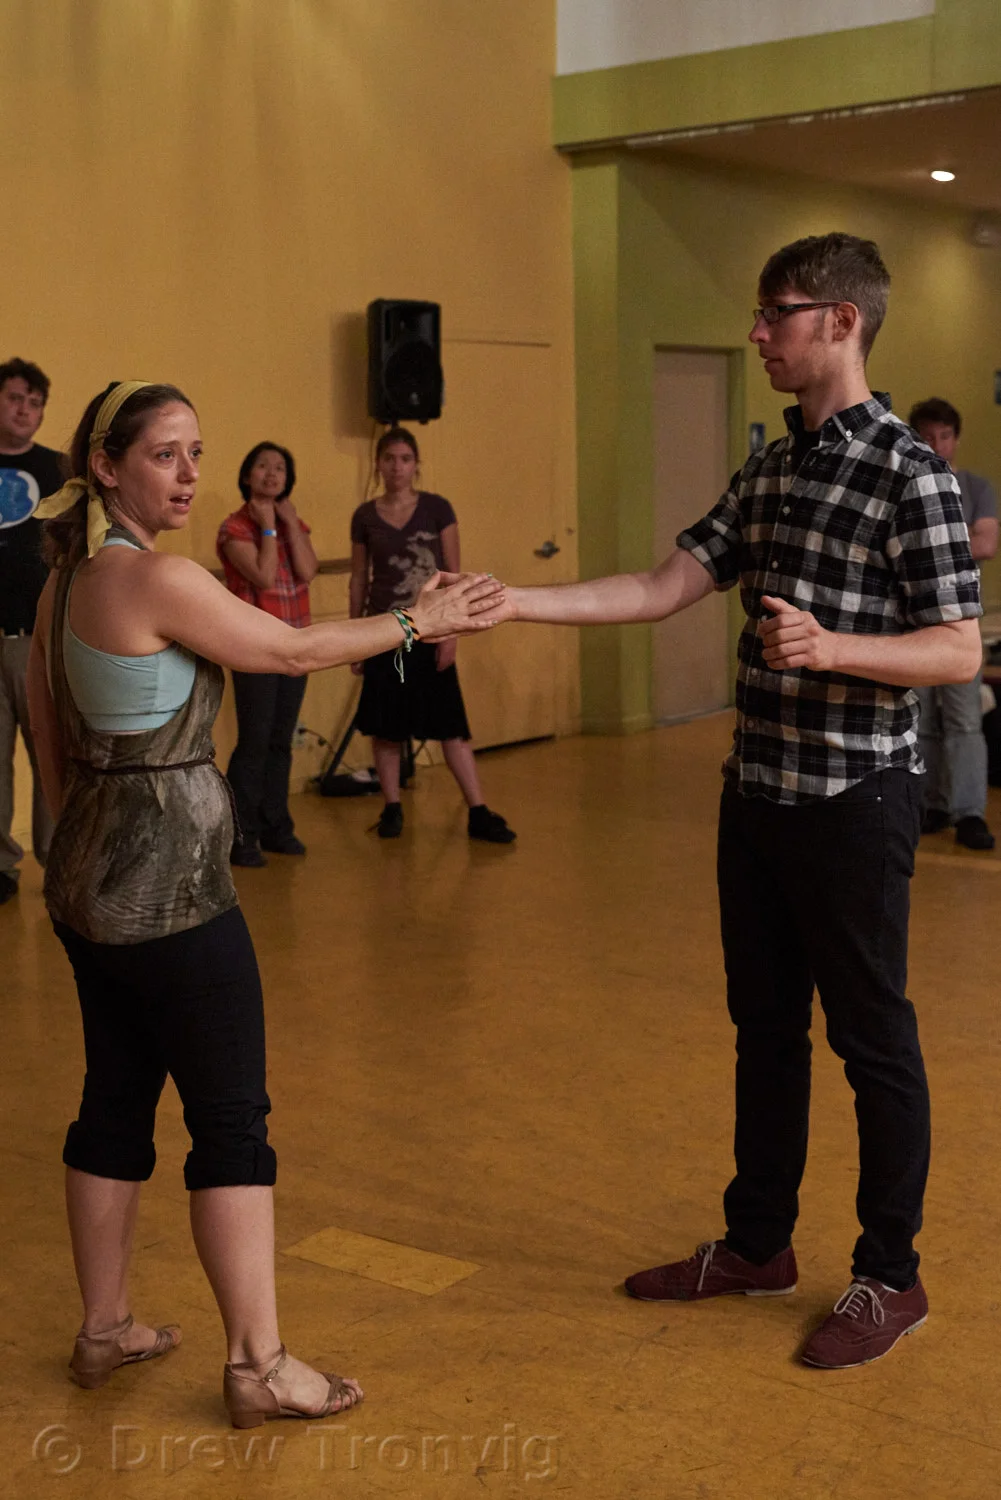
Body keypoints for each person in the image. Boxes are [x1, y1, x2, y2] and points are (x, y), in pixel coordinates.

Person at [486, 235, 982, 1369]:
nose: (757, 333)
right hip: (755, 795)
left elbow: (956, 650)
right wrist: (515, 601)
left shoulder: (910, 474)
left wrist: (832, 645)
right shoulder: (769, 469)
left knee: (870, 1039)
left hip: (854, 798)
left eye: (776, 313)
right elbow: (663, 584)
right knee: (763, 1030)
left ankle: (889, 1276)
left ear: (841, 323)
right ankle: (758, 1244)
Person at [26, 381, 502, 1423]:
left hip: (89, 888)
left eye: (197, 452)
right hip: (174, 895)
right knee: (230, 1117)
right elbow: (286, 649)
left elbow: (49, 742)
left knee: (114, 1098)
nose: (189, 473)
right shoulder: (155, 577)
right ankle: (258, 1365)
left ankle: (105, 1328)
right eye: (164, 454)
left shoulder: (63, 583)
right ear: (106, 467)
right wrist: (417, 618)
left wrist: (84, 865)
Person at [349, 426, 515, 843]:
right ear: (378, 464)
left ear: (416, 465)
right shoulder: (365, 516)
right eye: (389, 459)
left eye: (405, 459)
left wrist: (452, 633)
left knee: (450, 726)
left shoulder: (438, 509)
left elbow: (454, 575)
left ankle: (478, 810)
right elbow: (359, 577)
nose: (397, 467)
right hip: (384, 630)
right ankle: (392, 807)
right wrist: (355, 637)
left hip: (433, 627)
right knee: (385, 727)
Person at [217, 442, 317, 867]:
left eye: (280, 468)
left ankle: (278, 827)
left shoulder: (294, 521)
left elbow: (308, 571)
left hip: (296, 644)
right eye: (262, 466)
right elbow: (262, 575)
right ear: (247, 475)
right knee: (254, 742)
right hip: (255, 646)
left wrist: (288, 523)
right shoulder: (235, 528)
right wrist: (269, 529)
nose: (272, 474)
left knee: (281, 740)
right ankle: (241, 837)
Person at [908, 398, 998, 850]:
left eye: (945, 436)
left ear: (956, 439)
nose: (937, 445)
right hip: (913, 621)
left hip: (962, 620)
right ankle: (932, 804)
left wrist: (932, 541)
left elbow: (987, 544)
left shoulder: (976, 487)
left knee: (964, 719)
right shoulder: (907, 486)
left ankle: (968, 812)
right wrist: (959, 537)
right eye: (928, 437)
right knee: (921, 718)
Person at [0, 357, 62, 905]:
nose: (24, 409)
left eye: (34, 402)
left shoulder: (57, 471)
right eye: (15, 398)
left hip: (38, 638)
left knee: (49, 755)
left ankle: (58, 859)